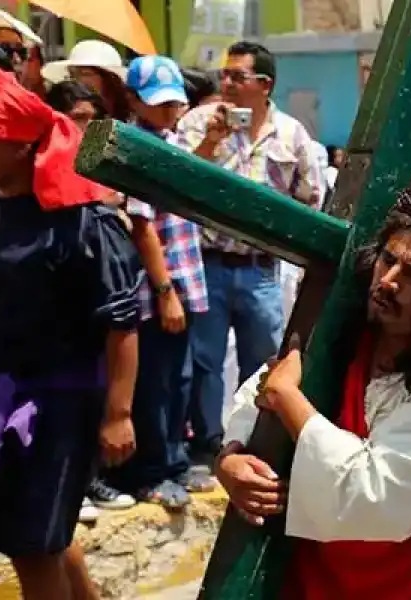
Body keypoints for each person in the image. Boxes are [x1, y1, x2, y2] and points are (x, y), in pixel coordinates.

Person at [216, 186, 411, 599]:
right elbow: (257, 395)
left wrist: (289, 398)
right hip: (304, 578)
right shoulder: (344, 337)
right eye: (388, 260)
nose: (390, 281)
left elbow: (372, 495)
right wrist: (230, 459)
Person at [0, 65, 141, 600]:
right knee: (39, 537)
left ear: (15, 145)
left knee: (34, 547)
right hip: (3, 396)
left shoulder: (79, 222)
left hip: (58, 403)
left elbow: (122, 321)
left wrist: (119, 413)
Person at [176, 41, 319, 471]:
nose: (227, 84)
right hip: (208, 264)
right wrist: (211, 142)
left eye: (238, 76)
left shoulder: (293, 134)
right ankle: (206, 446)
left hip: (260, 271)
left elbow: (310, 199)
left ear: (265, 84)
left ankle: (255, 444)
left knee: (263, 363)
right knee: (205, 362)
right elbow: (177, 178)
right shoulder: (199, 122)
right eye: (225, 75)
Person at [106, 55, 214, 509]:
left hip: (185, 283)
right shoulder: (141, 151)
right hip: (160, 290)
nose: (170, 110)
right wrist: (165, 291)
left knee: (180, 378)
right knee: (158, 382)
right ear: (133, 101)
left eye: (174, 102)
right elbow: (143, 225)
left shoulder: (170, 141)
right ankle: (151, 472)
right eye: (160, 103)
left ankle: (174, 461)